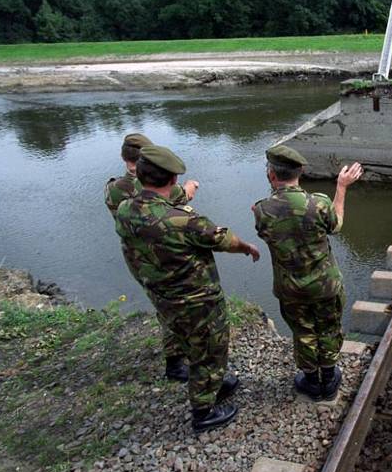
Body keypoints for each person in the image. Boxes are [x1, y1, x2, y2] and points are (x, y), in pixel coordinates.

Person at [115, 145, 261, 432]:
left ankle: (213, 383)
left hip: (161, 295)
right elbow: (223, 239)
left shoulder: (125, 209)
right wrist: (248, 248)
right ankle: (203, 411)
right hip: (197, 300)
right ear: (172, 181)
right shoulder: (183, 220)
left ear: (140, 176)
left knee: (187, 341)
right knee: (210, 350)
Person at [252, 145, 363, 401]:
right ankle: (329, 377)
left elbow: (267, 227)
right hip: (325, 286)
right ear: (300, 172)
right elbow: (336, 226)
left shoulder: (261, 210)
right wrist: (342, 187)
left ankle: (311, 380)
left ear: (271, 175)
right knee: (328, 328)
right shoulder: (319, 203)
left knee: (303, 331)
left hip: (290, 288)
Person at [104, 132, 200, 382]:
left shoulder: (113, 190)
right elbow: (180, 196)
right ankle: (184, 360)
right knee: (181, 303)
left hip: (137, 258)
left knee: (161, 302)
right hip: (168, 256)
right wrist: (189, 187)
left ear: (123, 156)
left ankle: (176, 361)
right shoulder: (156, 184)